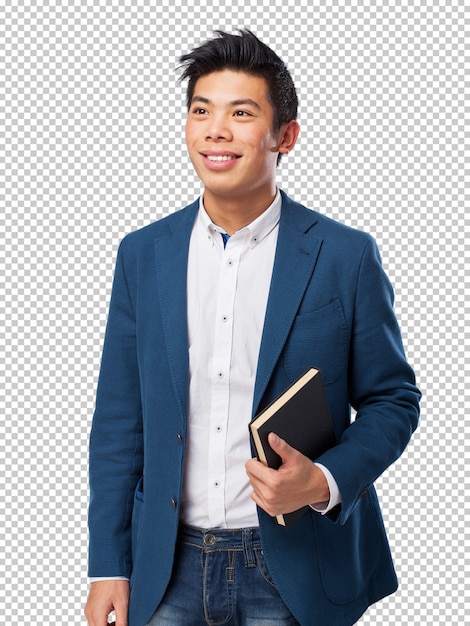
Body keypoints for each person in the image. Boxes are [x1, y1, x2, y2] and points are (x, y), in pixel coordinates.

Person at [84, 30, 420, 626]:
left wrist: (322, 480)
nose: (216, 129)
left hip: (294, 564)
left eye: (242, 113)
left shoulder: (344, 256)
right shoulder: (143, 254)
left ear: (285, 135)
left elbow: (393, 400)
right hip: (167, 567)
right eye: (201, 110)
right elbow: (119, 416)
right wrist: (108, 564)